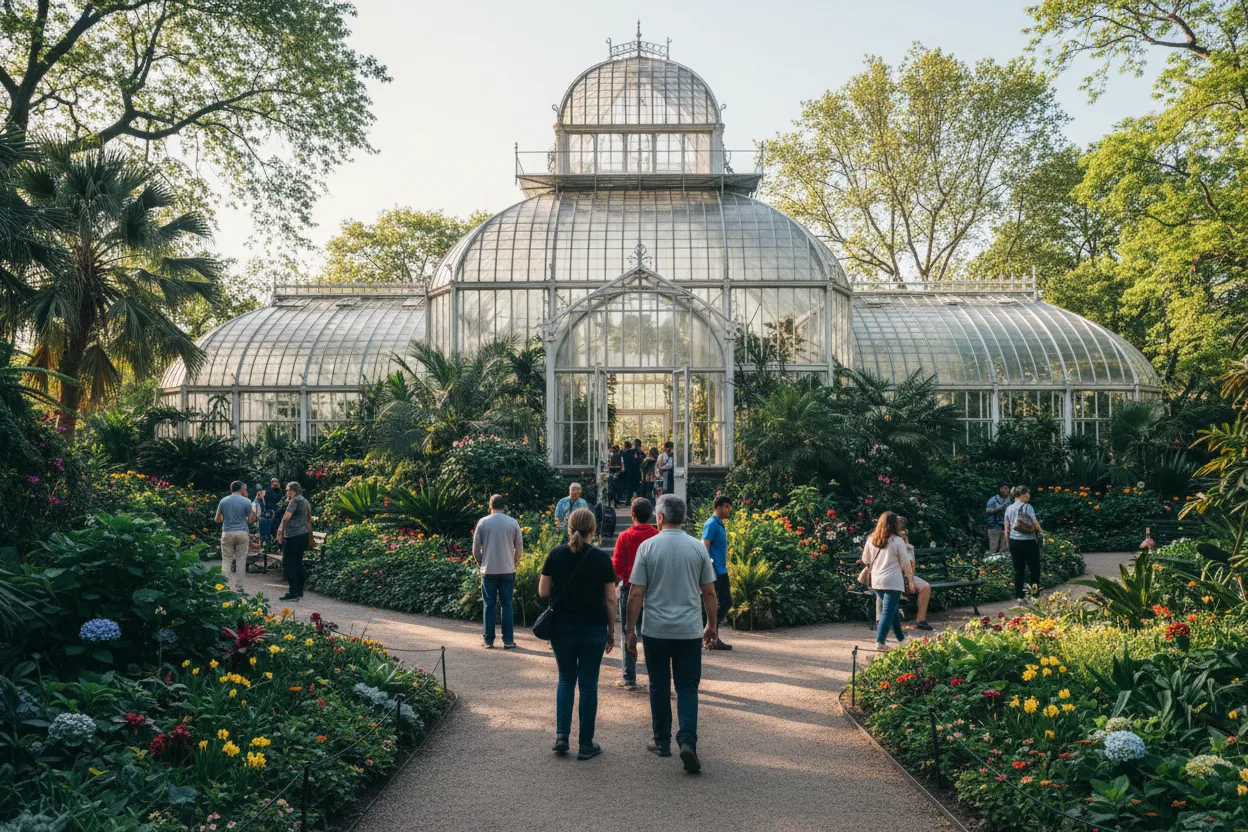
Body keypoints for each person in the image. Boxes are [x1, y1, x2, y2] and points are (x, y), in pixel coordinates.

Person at [626, 493, 718, 774]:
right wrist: (711, 625)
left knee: (658, 684)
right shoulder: (697, 549)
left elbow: (636, 592)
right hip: (688, 629)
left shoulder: (647, 547)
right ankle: (687, 739)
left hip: (656, 629)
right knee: (688, 686)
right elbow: (709, 592)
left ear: (661, 517)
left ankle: (662, 740)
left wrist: (630, 630)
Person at [539, 507, 616, 760]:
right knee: (589, 684)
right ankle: (586, 743)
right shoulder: (602, 559)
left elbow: (543, 591)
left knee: (565, 679)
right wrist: (612, 631)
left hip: (562, 628)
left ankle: (562, 736)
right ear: (593, 530)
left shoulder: (556, 554)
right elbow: (610, 599)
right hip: (593, 627)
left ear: (568, 527)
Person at [612, 497, 658, 689]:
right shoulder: (657, 535)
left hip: (630, 587)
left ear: (632, 515)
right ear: (651, 515)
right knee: (649, 634)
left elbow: (617, 568)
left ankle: (629, 677)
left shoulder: (625, 536)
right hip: (652, 589)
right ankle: (655, 676)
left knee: (627, 631)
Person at [473, 494, 523, 649]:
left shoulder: (483, 522)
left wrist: (481, 562)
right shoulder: (512, 522)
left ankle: (489, 640)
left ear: (490, 505)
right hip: (508, 569)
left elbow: (475, 549)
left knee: (489, 604)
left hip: (488, 569)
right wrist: (514, 561)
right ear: (504, 506)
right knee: (507, 604)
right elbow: (519, 547)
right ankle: (508, 640)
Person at [862, 511, 913, 650]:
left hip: (877, 581)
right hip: (893, 582)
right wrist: (911, 580)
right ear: (893, 525)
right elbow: (905, 563)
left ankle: (901, 639)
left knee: (893, 610)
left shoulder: (871, 539)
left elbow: (865, 560)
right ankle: (880, 642)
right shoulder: (897, 541)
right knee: (887, 611)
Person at [700, 495, 733, 650]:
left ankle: (712, 634)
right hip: (714, 570)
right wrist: (707, 570)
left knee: (724, 602)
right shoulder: (711, 523)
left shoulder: (720, 524)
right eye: (727, 506)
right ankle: (709, 629)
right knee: (724, 602)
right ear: (718, 507)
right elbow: (704, 545)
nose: (729, 509)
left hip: (721, 569)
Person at [215, 481, 256, 593]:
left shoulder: (223, 501)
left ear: (231, 488)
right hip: (242, 532)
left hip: (227, 532)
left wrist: (226, 517)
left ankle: (225, 588)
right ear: (242, 489)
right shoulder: (247, 501)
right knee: (241, 560)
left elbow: (217, 519)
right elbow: (251, 520)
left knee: (227, 560)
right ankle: (239, 588)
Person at [275, 481, 313, 602]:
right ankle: (299, 590)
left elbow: (286, 517)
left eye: (287, 490)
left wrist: (280, 531)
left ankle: (292, 592)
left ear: (293, 490)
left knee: (288, 562)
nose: (286, 493)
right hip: (303, 535)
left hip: (293, 535)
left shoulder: (294, 501)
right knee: (298, 561)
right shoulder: (305, 501)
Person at [1004, 485, 1043, 603]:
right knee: (1034, 568)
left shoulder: (1008, 508)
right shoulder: (1028, 507)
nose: (1029, 496)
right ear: (1023, 494)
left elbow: (1007, 528)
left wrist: (1007, 543)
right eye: (1028, 493)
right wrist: (1042, 532)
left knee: (1018, 569)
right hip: (1028, 542)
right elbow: (1035, 523)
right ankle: (1034, 594)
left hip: (1014, 542)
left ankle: (1019, 595)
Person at [898, 517, 932, 631]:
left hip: (908, 575)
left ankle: (920, 620)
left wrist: (910, 580)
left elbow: (911, 563)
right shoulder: (888, 541)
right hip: (893, 575)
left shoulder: (908, 545)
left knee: (925, 587)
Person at [985, 482, 1012, 554]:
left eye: (1008, 489)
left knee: (1004, 549)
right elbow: (987, 510)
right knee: (994, 548)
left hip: (1006, 527)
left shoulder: (1011, 500)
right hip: (994, 526)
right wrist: (995, 510)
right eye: (1005, 488)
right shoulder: (993, 499)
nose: (1007, 490)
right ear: (1001, 489)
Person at [621, 438, 644, 502]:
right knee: (635, 487)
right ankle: (636, 500)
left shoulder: (626, 453)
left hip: (631, 473)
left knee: (632, 487)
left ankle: (630, 500)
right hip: (634, 473)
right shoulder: (639, 453)